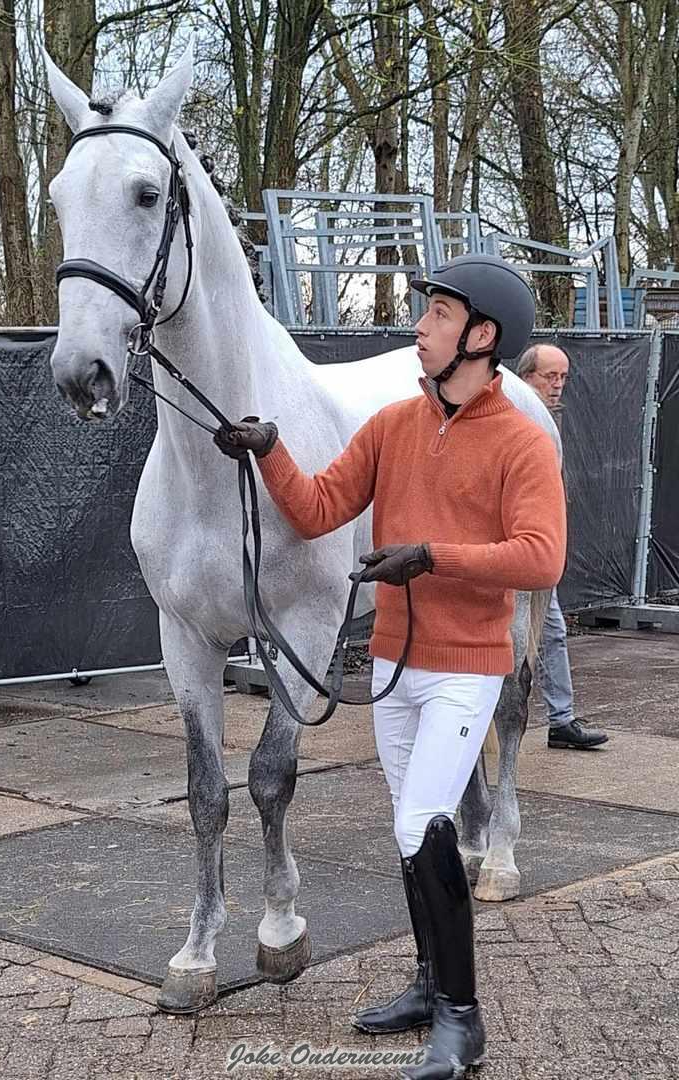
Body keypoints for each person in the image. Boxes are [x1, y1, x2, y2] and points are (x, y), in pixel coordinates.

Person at [215, 255, 567, 1080]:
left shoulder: (519, 439)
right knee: (410, 831)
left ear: (482, 337)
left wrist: (431, 557)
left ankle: (463, 1019)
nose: (419, 326)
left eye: (438, 315)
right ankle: (427, 981)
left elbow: (543, 557)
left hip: (463, 667)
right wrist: (269, 452)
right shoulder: (392, 427)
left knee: (423, 825)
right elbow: (316, 509)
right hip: (391, 668)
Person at [517, 343, 609, 750]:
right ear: (527, 376)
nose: (557, 386)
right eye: (549, 377)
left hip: (536, 544)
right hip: (514, 545)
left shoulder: (545, 419)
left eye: (562, 378)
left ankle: (561, 718)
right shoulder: (515, 415)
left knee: (550, 627)